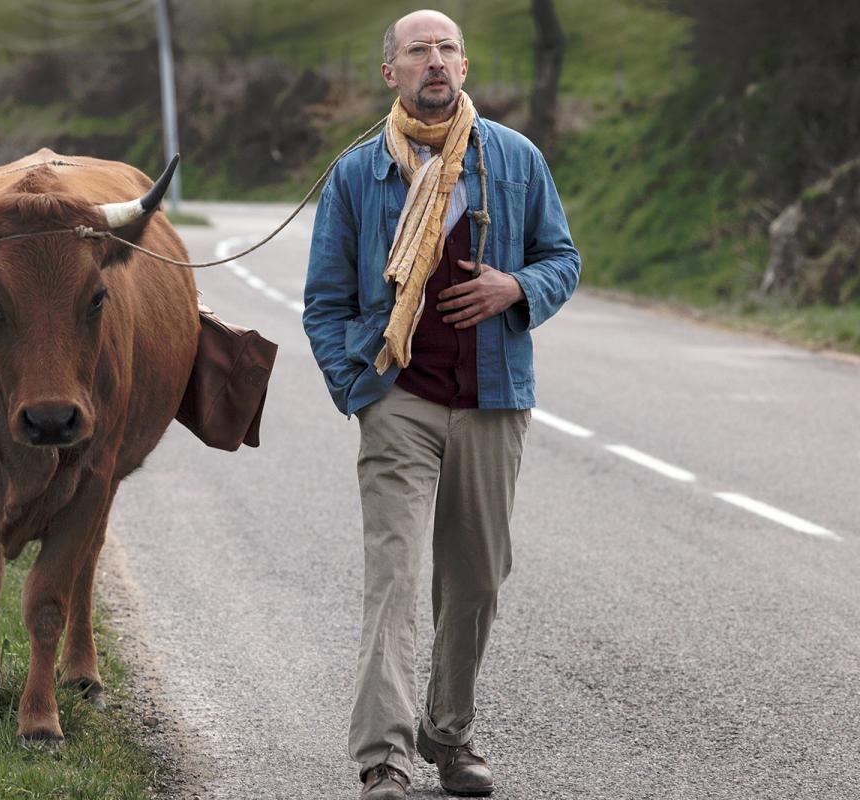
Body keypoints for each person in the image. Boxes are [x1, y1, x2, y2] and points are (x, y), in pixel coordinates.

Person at [302, 9, 580, 798]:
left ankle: (449, 734)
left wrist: (518, 285)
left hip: (494, 400)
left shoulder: (516, 160)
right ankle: (382, 756)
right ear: (390, 73)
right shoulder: (359, 172)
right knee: (391, 575)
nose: (435, 61)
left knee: (478, 577)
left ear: (466, 66)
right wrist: (359, 391)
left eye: (447, 49)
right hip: (401, 398)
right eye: (418, 50)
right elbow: (323, 302)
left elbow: (563, 255)